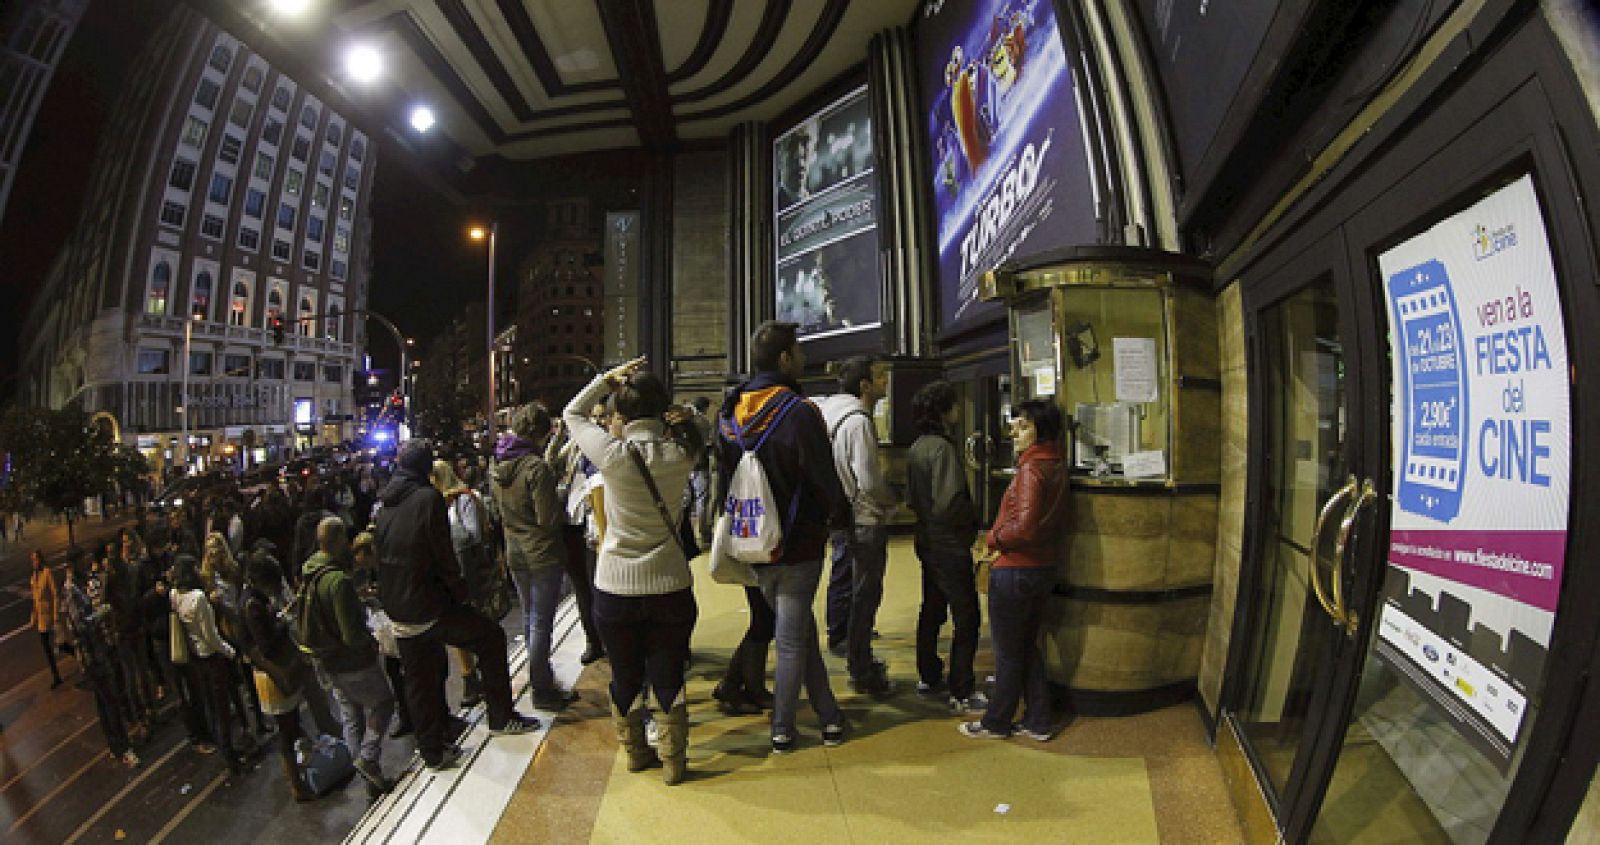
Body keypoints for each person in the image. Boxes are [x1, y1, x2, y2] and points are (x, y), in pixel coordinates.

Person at [564, 356, 702, 784]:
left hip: (615, 588)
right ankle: (675, 763)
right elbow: (705, 430)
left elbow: (572, 412)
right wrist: (688, 414)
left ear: (621, 414)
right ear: (665, 410)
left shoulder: (612, 455)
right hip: (670, 584)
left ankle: (637, 755)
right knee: (668, 673)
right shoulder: (682, 451)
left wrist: (605, 380)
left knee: (625, 675)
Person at [716, 322, 849, 754]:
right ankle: (783, 729)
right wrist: (841, 517)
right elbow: (822, 477)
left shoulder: (732, 410)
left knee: (799, 628)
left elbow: (722, 478)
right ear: (785, 358)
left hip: (752, 539)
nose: (804, 358)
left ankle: (829, 717)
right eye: (799, 350)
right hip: (797, 542)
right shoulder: (798, 410)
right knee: (791, 639)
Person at [374, 439, 539, 772]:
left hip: (398, 606)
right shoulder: (426, 498)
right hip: (427, 603)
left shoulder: (385, 503)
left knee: (421, 678)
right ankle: (501, 716)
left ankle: (433, 749)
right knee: (490, 638)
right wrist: (459, 590)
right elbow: (442, 554)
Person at [960, 399, 1067, 742]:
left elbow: (1024, 527)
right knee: (1026, 646)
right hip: (1043, 568)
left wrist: (994, 537)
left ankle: (997, 721)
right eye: (1014, 425)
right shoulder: (1057, 465)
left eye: (1023, 426)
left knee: (1007, 652)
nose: (1014, 432)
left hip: (1016, 569)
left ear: (1041, 431)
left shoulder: (1031, 470)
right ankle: (1038, 719)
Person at [299, 516, 396, 797]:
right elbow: (351, 634)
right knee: (383, 703)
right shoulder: (337, 581)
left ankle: (368, 777)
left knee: (351, 716)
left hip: (328, 662)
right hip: (352, 661)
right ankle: (369, 757)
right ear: (340, 540)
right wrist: (371, 643)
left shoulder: (310, 572)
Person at [819, 355, 898, 695]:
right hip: (863, 517)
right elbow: (868, 479)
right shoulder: (858, 421)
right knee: (866, 593)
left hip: (839, 513)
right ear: (865, 385)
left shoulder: (828, 412)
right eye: (881, 377)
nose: (886, 383)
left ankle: (842, 639)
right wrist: (891, 499)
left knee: (844, 579)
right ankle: (862, 667)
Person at [906, 381, 986, 713]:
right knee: (967, 615)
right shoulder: (941, 449)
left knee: (933, 609)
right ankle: (962, 688)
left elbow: (915, 499)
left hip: (926, 538)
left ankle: (929, 674)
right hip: (948, 544)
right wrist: (971, 531)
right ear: (943, 410)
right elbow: (950, 501)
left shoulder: (916, 447)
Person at [494, 402, 578, 711]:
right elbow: (547, 518)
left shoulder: (498, 464)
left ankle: (540, 676)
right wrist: (562, 491)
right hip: (541, 552)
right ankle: (542, 688)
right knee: (541, 623)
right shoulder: (535, 468)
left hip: (515, 549)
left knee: (531, 618)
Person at [242, 556, 317, 802]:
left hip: (271, 673)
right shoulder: (253, 605)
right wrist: (281, 623)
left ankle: (301, 773)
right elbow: (267, 646)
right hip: (273, 675)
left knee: (292, 725)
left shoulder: (252, 599)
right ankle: (296, 784)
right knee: (286, 730)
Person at [428, 460, 497, 709]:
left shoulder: (463, 499)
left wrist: (445, 532)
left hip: (470, 569)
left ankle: (487, 677)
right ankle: (470, 677)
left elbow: (473, 534)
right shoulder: (435, 503)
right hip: (451, 572)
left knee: (479, 621)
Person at [170, 554, 247, 774]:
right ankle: (229, 755)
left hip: (195, 657)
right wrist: (230, 652)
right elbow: (210, 635)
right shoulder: (197, 598)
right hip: (211, 657)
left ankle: (226, 748)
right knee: (222, 708)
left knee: (212, 705)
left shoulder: (175, 595)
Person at [62, 566, 139, 768]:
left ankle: (115, 746)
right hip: (92, 657)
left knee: (105, 702)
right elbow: (80, 625)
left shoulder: (82, 586)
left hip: (98, 652)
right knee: (110, 701)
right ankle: (123, 748)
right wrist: (100, 614)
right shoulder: (72, 592)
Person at [28, 551, 65, 689]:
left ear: (41, 560)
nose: (34, 563)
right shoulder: (33, 577)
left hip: (50, 615)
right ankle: (56, 676)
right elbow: (35, 599)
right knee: (47, 649)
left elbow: (55, 594)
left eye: (36, 559)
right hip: (42, 620)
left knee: (61, 644)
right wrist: (33, 616)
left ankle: (77, 657)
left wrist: (55, 614)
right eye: (32, 560)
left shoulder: (47, 573)